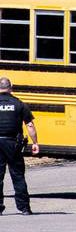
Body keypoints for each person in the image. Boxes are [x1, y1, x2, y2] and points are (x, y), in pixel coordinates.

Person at [0, 77, 39, 215]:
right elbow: (29, 125)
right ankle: (24, 208)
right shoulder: (19, 104)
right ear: (11, 87)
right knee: (18, 176)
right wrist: (35, 143)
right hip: (13, 144)